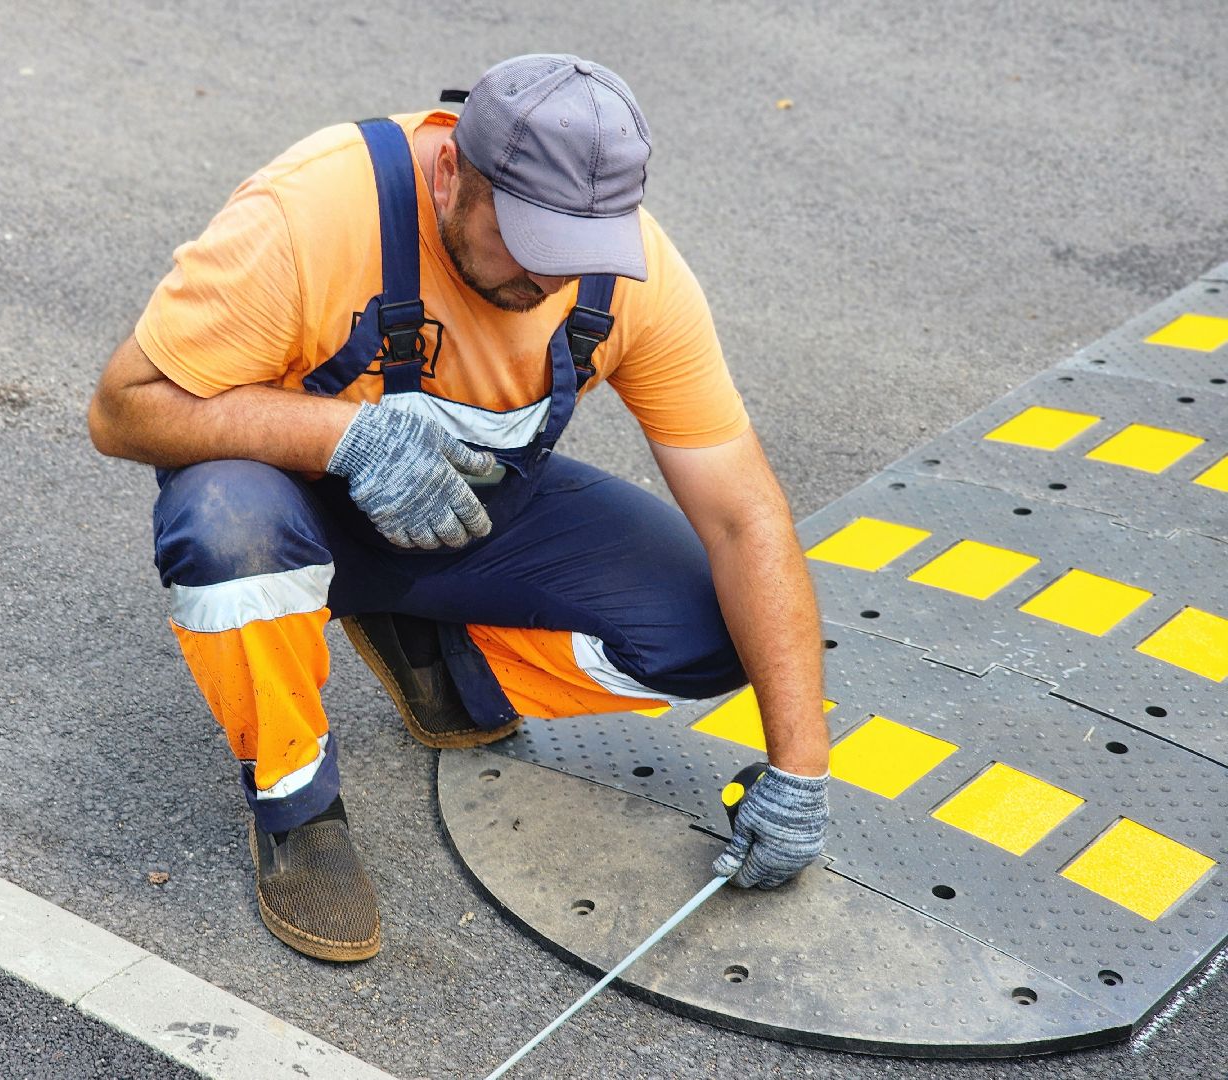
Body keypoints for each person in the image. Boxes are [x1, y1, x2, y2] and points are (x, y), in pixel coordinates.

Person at [88, 54, 830, 963]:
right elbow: (123, 408)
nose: (553, 282)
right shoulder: (309, 215)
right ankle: (296, 801)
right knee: (225, 530)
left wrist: (800, 770)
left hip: (468, 521)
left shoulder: (637, 280)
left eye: (580, 254)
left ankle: (442, 654)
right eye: (530, 243)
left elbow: (743, 518)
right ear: (453, 173)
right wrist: (343, 439)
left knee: (714, 633)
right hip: (286, 515)